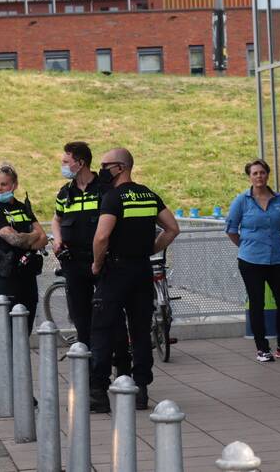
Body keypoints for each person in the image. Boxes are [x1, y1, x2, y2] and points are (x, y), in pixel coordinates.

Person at [89, 148, 180, 412]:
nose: (101, 170)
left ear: (120, 167)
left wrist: (96, 263)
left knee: (103, 329)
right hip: (142, 271)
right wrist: (149, 249)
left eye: (105, 165)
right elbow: (173, 228)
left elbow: (102, 236)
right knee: (140, 331)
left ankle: (98, 392)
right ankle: (141, 389)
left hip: (115, 271)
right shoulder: (148, 195)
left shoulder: (113, 197)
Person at [51, 141, 131, 376]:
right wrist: (57, 240)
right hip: (74, 264)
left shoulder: (106, 189)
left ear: (80, 162)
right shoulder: (66, 193)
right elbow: (56, 219)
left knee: (112, 316)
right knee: (81, 317)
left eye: (66, 161)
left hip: (103, 263)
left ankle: (123, 369)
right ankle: (90, 372)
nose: (63, 166)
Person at [225, 159, 280, 363]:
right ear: (249, 177)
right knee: (257, 303)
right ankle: (262, 348)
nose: (259, 176)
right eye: (255, 173)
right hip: (251, 261)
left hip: (277, 259)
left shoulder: (279, 200)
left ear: (267, 175)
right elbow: (231, 230)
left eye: (262, 172)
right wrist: (246, 246)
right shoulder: (241, 201)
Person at [0, 163, 48, 332]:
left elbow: (44, 238)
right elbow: (15, 240)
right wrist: (32, 237)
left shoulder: (23, 208)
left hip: (28, 277)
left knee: (25, 331)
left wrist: (27, 238)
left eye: (4, 184)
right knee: (7, 333)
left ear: (14, 185)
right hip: (6, 277)